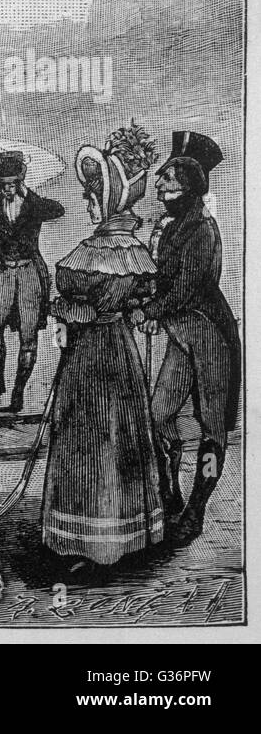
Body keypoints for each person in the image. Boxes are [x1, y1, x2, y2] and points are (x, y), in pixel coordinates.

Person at [42, 136, 162, 576]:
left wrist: (66, 312)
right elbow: (138, 297)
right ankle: (125, 537)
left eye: (93, 198)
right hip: (122, 354)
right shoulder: (137, 253)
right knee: (120, 434)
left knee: (90, 439)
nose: (89, 205)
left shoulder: (92, 253)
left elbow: (78, 304)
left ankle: (90, 539)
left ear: (106, 202)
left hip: (92, 355)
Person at [129, 131, 241, 546]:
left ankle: (195, 511)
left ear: (190, 184)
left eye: (168, 179)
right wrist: (137, 294)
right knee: (158, 415)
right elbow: (162, 281)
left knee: (212, 431)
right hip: (182, 335)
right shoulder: (173, 225)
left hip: (209, 336)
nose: (159, 185)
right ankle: (170, 492)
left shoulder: (202, 229)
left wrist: (149, 310)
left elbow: (187, 288)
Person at [0, 151, 66, 411]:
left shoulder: (33, 205)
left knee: (28, 333)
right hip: (4, 272)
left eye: (12, 184)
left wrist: (28, 195)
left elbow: (58, 209)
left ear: (20, 181)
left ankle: (18, 392)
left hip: (29, 273)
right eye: (4, 184)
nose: (8, 189)